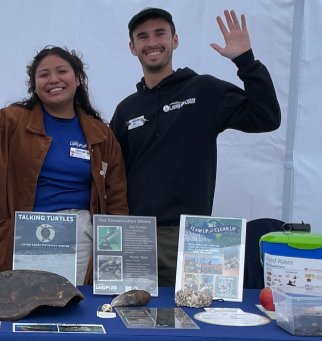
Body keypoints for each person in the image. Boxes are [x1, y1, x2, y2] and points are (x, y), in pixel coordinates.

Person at [110, 8, 281, 288]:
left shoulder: (203, 90)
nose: (152, 42)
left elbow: (266, 117)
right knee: (135, 319)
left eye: (160, 33)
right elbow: (113, 176)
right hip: (136, 236)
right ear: (133, 47)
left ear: (175, 40)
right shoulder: (126, 110)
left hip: (195, 237)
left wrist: (245, 61)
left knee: (195, 322)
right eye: (143, 37)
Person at [0, 47, 128, 285]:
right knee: (17, 307)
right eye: (44, 74)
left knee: (71, 309)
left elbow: (117, 196)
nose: (53, 80)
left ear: (78, 79)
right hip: (20, 233)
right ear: (34, 84)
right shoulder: (11, 120)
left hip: (79, 235)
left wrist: (113, 252)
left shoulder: (101, 133)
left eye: (62, 71)